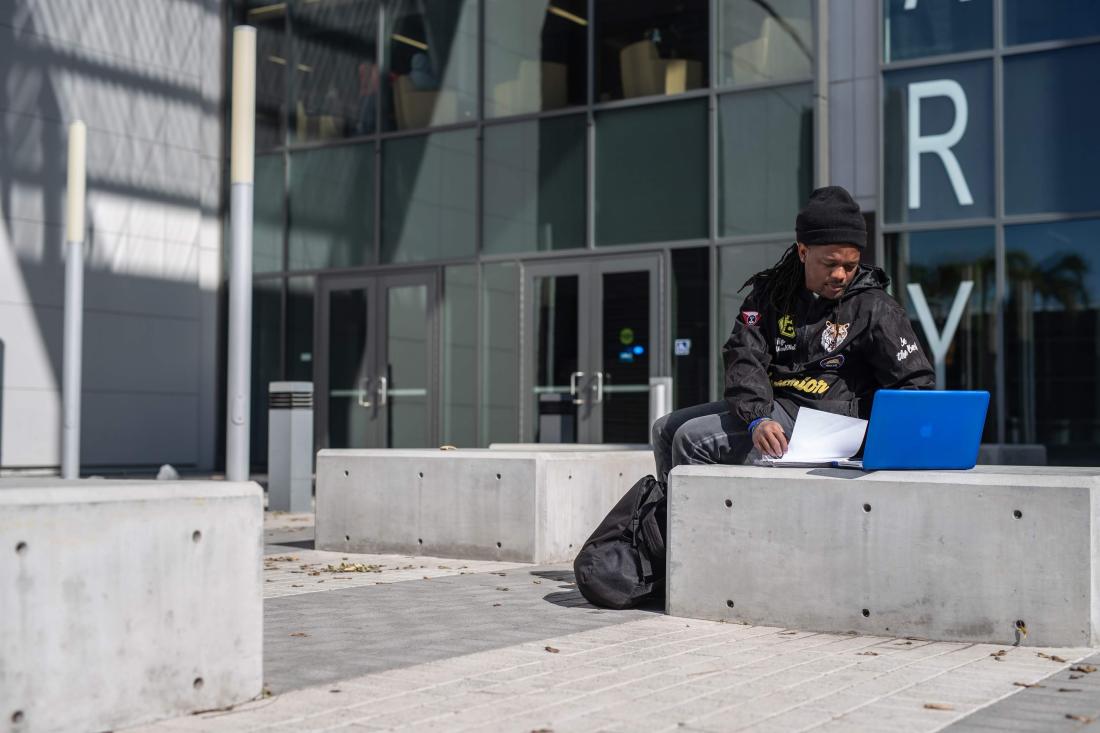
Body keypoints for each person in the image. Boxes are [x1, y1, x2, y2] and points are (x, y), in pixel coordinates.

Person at [651, 185, 935, 482]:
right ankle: (666, 524)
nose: (840, 275)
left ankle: (697, 527)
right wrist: (757, 417)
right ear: (803, 251)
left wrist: (877, 441)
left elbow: (914, 384)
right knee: (665, 429)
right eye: (830, 264)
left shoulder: (876, 307)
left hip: (832, 424)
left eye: (850, 266)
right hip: (778, 407)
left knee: (692, 440)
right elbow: (744, 355)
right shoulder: (770, 295)